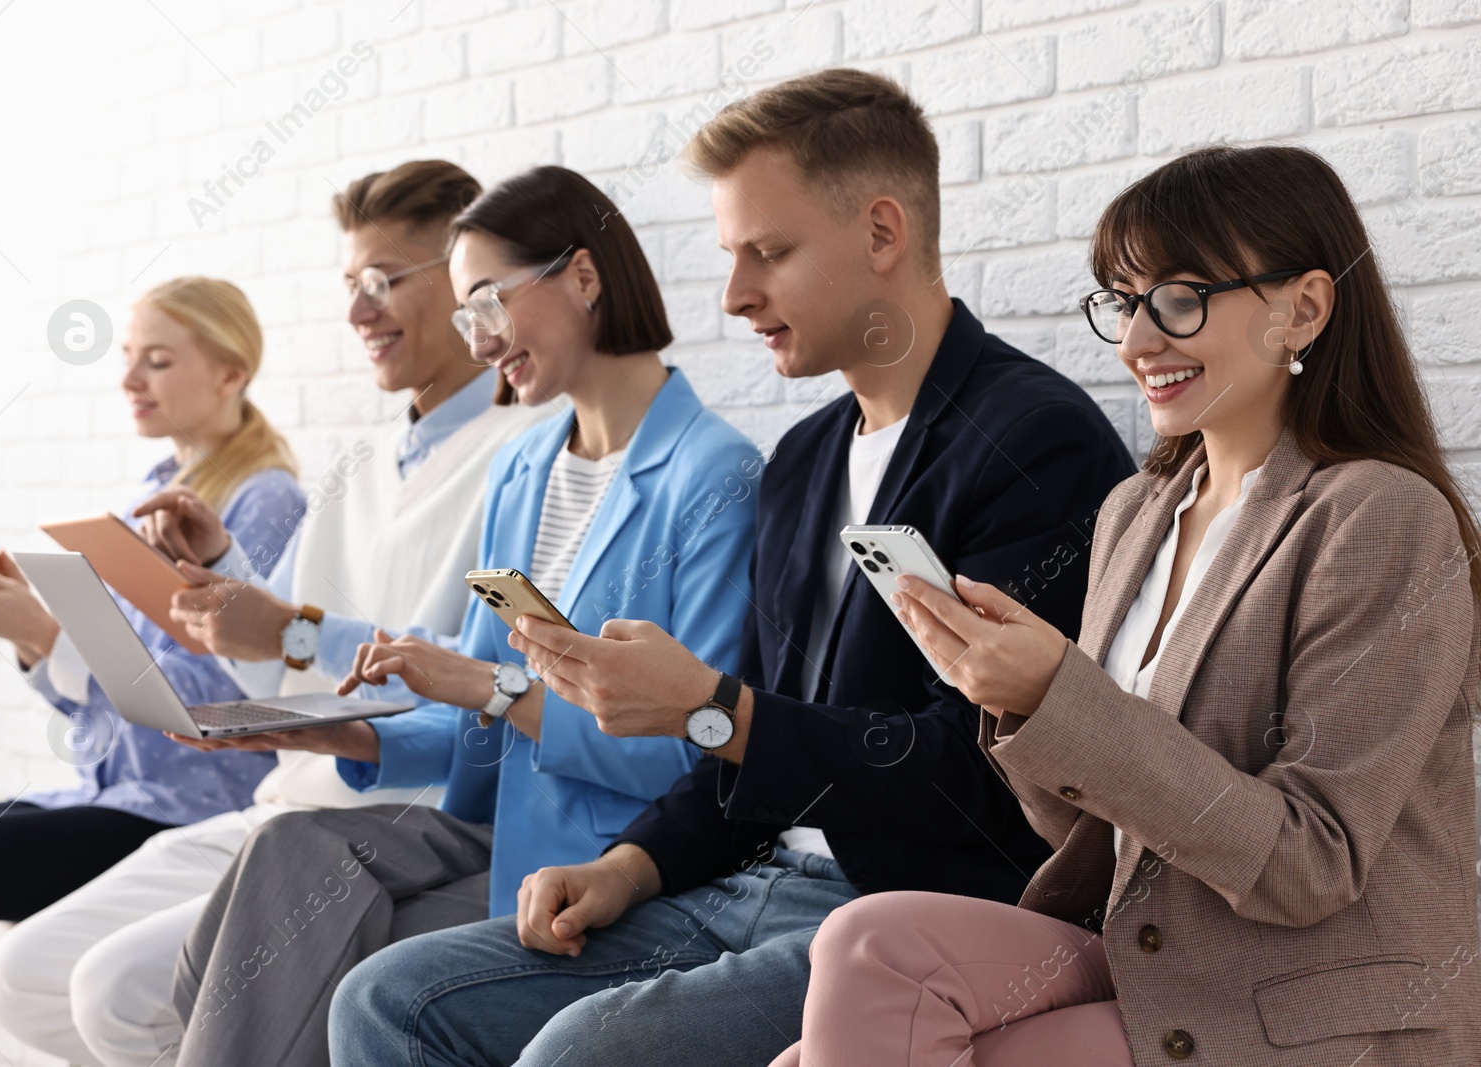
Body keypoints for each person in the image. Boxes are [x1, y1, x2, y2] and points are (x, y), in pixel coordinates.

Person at [328, 69, 1135, 1067]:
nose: (734, 294)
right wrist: (631, 862)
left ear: (882, 233)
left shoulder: (1033, 443)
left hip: (913, 915)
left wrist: (710, 705)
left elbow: (979, 778)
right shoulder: (801, 462)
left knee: (577, 1054)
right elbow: (741, 732)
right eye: (730, 255)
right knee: (389, 998)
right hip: (748, 883)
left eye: (771, 252)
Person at [773, 144, 1481, 1066]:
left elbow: (1314, 862)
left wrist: (1066, 693)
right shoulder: (1136, 512)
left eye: (1180, 299)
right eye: (1124, 300)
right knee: (866, 942)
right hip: (1157, 944)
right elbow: (1097, 833)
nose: (1140, 342)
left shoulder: (1378, 518)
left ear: (1303, 308)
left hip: (1309, 995)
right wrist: (1025, 702)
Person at [158, 164, 761, 1067]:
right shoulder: (523, 471)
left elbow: (695, 746)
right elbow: (478, 705)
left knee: (267, 959)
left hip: (612, 861)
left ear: (584, 277)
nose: (479, 344)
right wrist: (348, 737)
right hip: (489, 826)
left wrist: (490, 686)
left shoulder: (714, 475)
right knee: (283, 858)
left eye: (486, 305)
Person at [0, 161, 549, 1066]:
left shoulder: (527, 452)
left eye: (383, 280)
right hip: (283, 797)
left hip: (402, 813)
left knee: (116, 992)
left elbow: (484, 676)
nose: (359, 311)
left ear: (466, 281)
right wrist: (224, 575)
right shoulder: (359, 460)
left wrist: (286, 627)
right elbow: (279, 668)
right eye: (348, 286)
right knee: (21, 975)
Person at [0, 276, 304, 1067]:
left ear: (230, 372)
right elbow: (107, 701)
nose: (129, 380)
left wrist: (55, 636)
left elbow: (236, 693)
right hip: (115, 785)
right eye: (126, 358)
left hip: (190, 799)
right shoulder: (151, 495)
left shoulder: (264, 501)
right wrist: (37, 641)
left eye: (157, 360)